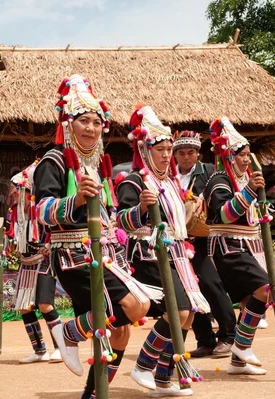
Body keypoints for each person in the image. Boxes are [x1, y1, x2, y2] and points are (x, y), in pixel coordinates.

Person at [34, 74, 156, 398]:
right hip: (74, 256)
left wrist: (142, 212)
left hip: (105, 255)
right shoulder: (55, 160)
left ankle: (92, 394)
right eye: (83, 121)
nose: (90, 127)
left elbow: (112, 220)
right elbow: (42, 210)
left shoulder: (99, 167)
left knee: (120, 334)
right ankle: (68, 332)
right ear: (68, 124)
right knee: (137, 306)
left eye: (96, 122)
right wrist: (73, 200)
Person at [117, 106, 209, 397]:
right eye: (161, 149)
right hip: (149, 254)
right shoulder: (134, 181)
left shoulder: (169, 182)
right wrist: (142, 208)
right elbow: (121, 219)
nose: (167, 154)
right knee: (177, 309)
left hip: (177, 255)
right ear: (145, 150)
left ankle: (163, 379)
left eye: (170, 148)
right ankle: (143, 364)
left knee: (188, 314)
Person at [203, 117, 270, 375]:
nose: (246, 160)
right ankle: (240, 346)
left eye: (248, 155)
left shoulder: (241, 181)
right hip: (228, 247)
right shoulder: (219, 180)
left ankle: (237, 362)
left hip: (243, 246)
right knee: (265, 289)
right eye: (241, 155)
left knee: (248, 300)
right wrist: (251, 192)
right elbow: (223, 215)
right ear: (229, 156)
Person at [172, 131, 236, 358]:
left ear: (197, 153)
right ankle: (205, 341)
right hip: (177, 241)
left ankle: (229, 336)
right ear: (175, 155)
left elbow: (221, 197)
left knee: (210, 283)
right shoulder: (169, 175)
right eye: (181, 153)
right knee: (190, 291)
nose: (186, 157)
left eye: (190, 152)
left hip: (203, 239)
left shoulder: (210, 172)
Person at [8, 161, 62, 364]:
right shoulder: (15, 214)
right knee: (24, 307)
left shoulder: (42, 210)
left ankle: (60, 347)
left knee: (45, 304)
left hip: (44, 260)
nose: (14, 194)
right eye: (14, 191)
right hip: (26, 261)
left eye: (19, 190)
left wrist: (50, 244)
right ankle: (40, 350)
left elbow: (56, 229)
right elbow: (13, 236)